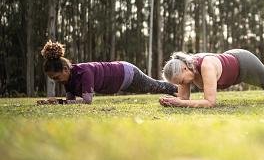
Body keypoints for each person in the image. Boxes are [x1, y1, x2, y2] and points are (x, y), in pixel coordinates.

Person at [159, 49, 264, 108]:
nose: (181, 84)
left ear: (184, 68)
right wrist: (174, 102)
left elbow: (210, 102)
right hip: (232, 62)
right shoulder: (186, 71)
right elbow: (184, 98)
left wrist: (181, 102)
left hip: (244, 63)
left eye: (180, 81)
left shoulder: (205, 66)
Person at [37, 40, 178, 104]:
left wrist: (60, 103)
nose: (56, 81)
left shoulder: (84, 72)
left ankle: (180, 89)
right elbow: (70, 101)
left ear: (66, 69)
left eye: (56, 77)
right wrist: (54, 102)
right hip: (120, 83)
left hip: (126, 73)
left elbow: (87, 101)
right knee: (154, 88)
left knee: (155, 87)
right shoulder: (67, 80)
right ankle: (178, 92)